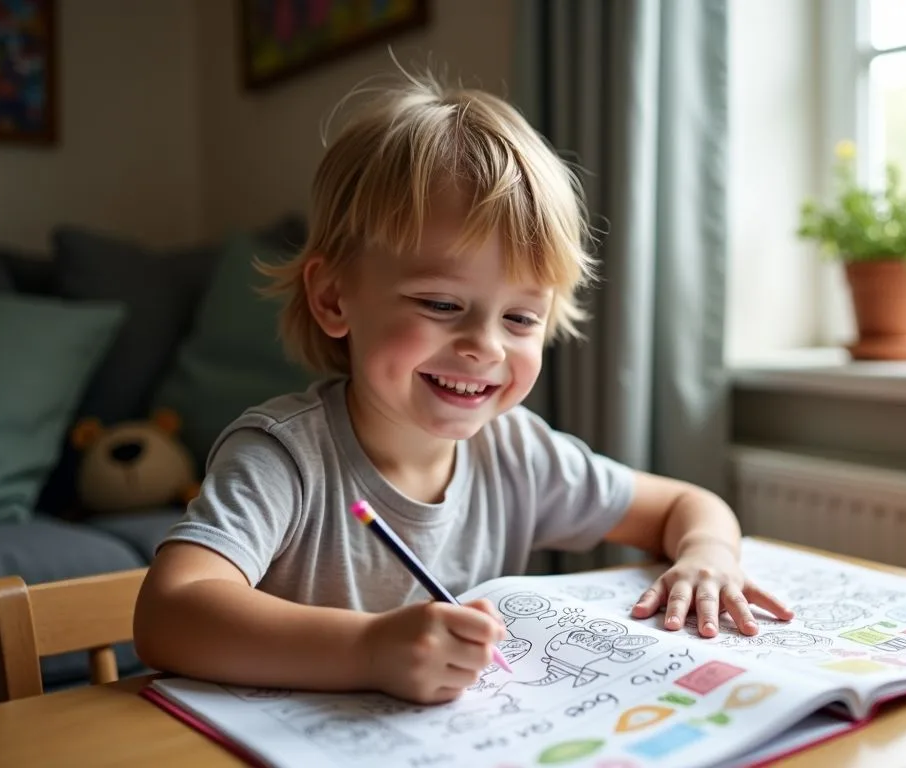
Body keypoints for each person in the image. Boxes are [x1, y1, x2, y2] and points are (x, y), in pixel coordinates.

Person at [133, 68, 793, 706]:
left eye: (520, 318)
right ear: (334, 298)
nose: (486, 346)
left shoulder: (518, 453)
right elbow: (169, 614)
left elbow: (685, 504)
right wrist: (369, 650)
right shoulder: (283, 458)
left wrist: (708, 554)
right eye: (441, 304)